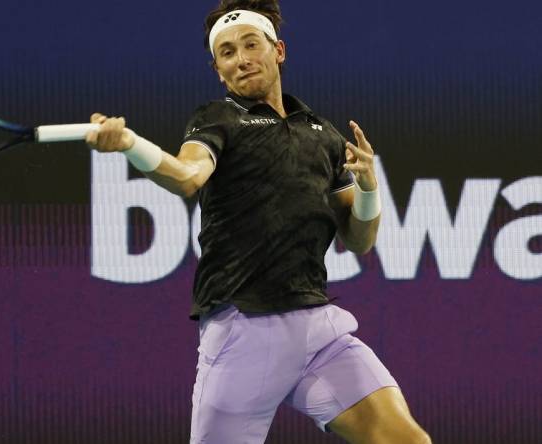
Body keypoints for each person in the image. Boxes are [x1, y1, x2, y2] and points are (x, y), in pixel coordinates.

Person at [86, 1, 432, 442]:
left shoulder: (322, 134)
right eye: (228, 53)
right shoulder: (218, 119)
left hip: (317, 330)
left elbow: (360, 240)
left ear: (279, 50)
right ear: (218, 69)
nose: (242, 58)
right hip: (243, 332)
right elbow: (188, 176)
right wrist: (130, 143)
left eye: (252, 45)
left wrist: (367, 188)